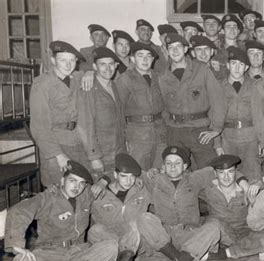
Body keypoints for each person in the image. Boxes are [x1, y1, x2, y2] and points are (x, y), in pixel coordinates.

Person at [4, 161, 117, 261]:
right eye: (72, 180)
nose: (77, 187)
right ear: (63, 181)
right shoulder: (47, 198)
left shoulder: (85, 195)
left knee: (111, 246)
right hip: (50, 253)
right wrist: (16, 246)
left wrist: (103, 181)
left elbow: (115, 172)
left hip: (77, 252)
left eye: (81, 183)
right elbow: (18, 211)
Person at [136, 146, 229, 261]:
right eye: (169, 163)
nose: (173, 167)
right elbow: (128, 169)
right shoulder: (155, 180)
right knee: (144, 218)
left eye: (177, 163)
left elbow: (222, 169)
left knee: (214, 226)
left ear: (185, 166)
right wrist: (103, 181)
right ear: (163, 166)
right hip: (165, 237)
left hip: (189, 236)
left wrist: (242, 180)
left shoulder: (194, 179)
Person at [158, 33, 226, 169]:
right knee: (176, 173)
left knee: (208, 172)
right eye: (171, 47)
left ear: (185, 49)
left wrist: (216, 129)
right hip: (175, 132)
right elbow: (163, 107)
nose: (175, 50)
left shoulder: (201, 69)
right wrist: (168, 127)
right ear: (166, 51)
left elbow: (218, 101)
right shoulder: (163, 77)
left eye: (179, 47)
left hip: (199, 131)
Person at [30, 40, 89, 186]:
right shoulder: (42, 84)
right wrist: (58, 155)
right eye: (63, 60)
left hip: (76, 142)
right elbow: (39, 126)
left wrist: (90, 73)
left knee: (80, 187)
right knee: (58, 190)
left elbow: (87, 72)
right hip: (55, 144)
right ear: (53, 60)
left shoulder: (76, 78)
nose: (68, 65)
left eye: (72, 60)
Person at [215, 46, 264, 181]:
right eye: (234, 63)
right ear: (228, 65)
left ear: (246, 67)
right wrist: (217, 145)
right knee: (228, 178)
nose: (237, 68)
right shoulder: (218, 86)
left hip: (250, 139)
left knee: (254, 177)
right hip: (227, 139)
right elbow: (215, 118)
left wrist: (263, 143)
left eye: (241, 64)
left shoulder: (255, 86)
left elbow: (259, 117)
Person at [199, 154, 264, 259]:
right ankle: (249, 250)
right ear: (215, 174)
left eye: (230, 172)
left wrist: (258, 184)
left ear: (236, 172)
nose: (226, 177)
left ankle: (222, 254)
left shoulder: (247, 188)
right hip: (221, 233)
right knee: (211, 223)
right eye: (221, 173)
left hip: (244, 233)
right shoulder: (208, 190)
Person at [116, 42, 167, 170]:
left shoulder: (159, 78)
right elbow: (118, 111)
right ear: (132, 59)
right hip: (137, 136)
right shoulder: (125, 79)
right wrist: (123, 140)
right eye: (140, 56)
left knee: (159, 172)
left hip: (160, 134)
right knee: (139, 173)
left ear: (153, 59)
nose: (145, 60)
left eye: (148, 56)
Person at [77, 47, 126, 179]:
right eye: (102, 64)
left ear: (116, 66)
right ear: (94, 66)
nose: (107, 68)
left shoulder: (113, 86)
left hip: (117, 152)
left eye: (111, 64)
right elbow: (85, 125)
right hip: (101, 154)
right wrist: (94, 157)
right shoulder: (89, 88)